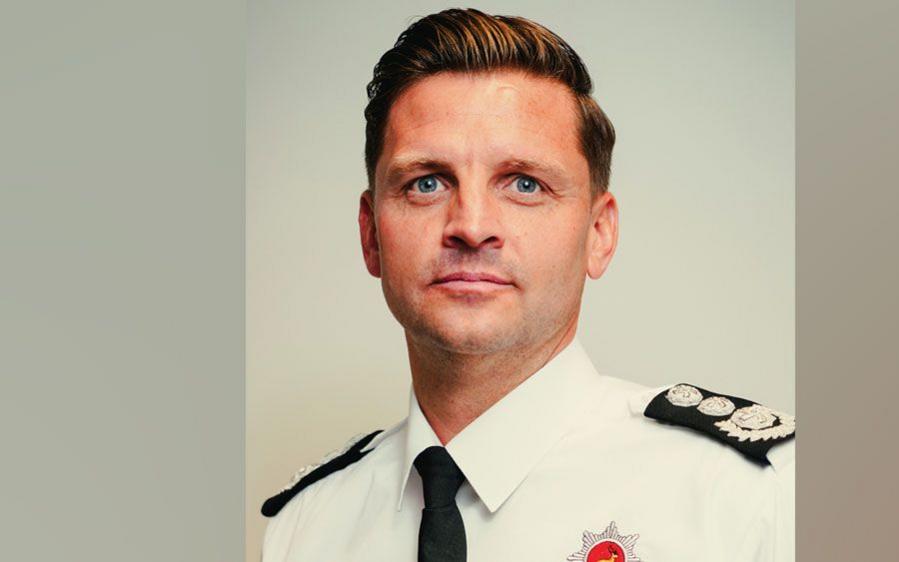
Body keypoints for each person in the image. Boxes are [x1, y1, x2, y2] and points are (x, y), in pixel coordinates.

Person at [260, 8, 794, 562]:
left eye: (523, 183)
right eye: (426, 183)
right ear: (371, 234)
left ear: (598, 233)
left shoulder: (751, 499)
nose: (470, 225)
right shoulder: (306, 528)